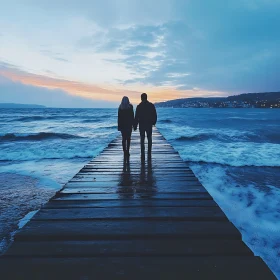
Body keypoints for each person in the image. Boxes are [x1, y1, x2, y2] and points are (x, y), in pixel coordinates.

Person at [134, 93, 157, 160]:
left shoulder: (139, 106)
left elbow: (136, 117)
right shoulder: (151, 105)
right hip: (149, 124)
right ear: (146, 98)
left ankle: (142, 152)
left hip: (142, 124)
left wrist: (135, 125)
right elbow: (154, 115)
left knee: (142, 139)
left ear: (141, 98)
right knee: (149, 138)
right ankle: (149, 151)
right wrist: (153, 122)